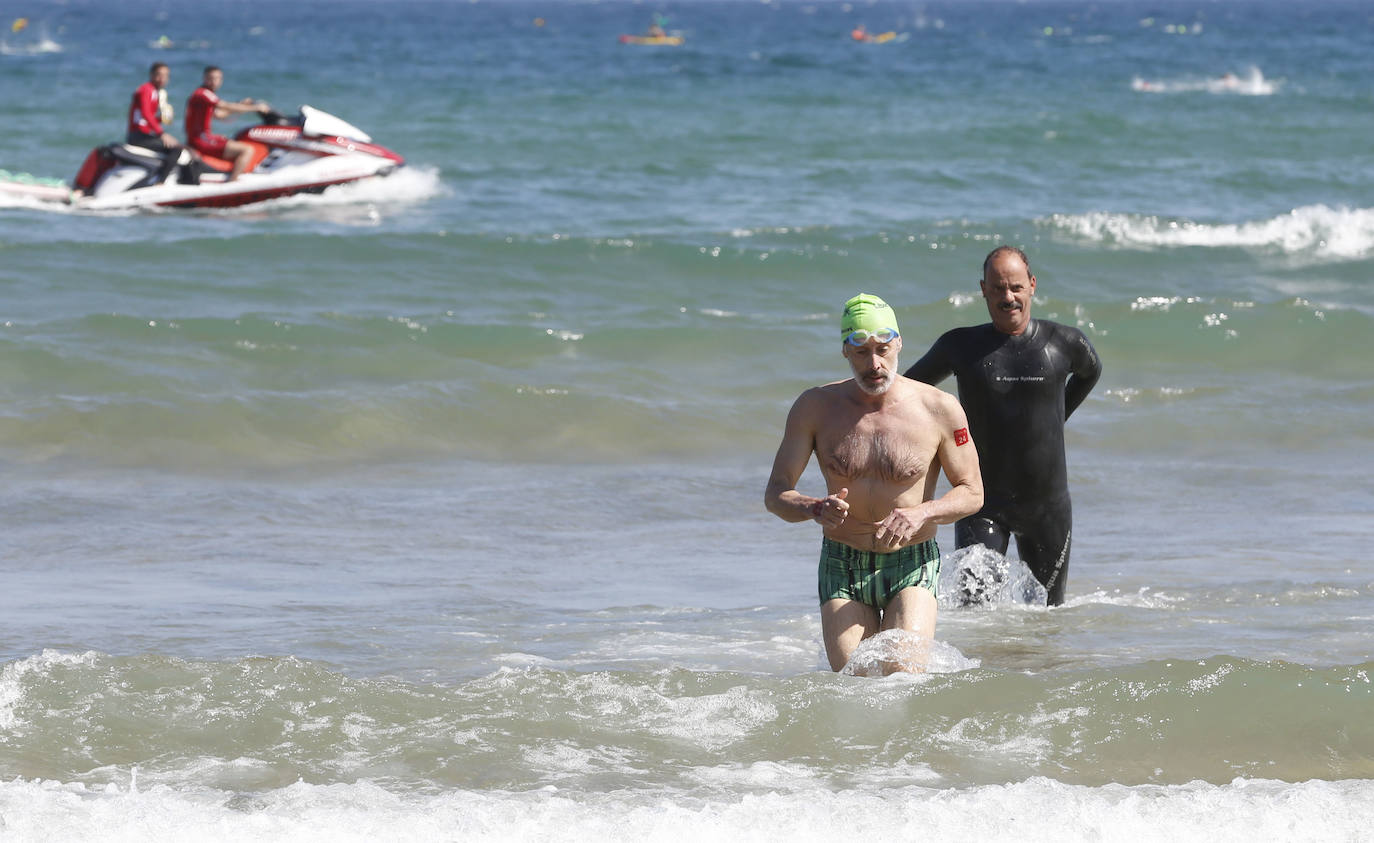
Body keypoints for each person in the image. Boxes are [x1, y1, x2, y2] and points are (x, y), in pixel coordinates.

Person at [765, 294, 984, 674]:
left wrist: (923, 512)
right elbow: (776, 494)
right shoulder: (814, 408)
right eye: (862, 352)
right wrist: (814, 508)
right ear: (845, 351)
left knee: (903, 677)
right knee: (855, 685)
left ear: (898, 343)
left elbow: (973, 492)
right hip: (842, 561)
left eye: (883, 349)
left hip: (911, 561)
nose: (874, 364)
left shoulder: (939, 408)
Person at [904, 246, 1102, 606]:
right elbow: (909, 391)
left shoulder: (1065, 343)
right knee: (975, 611)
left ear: (1032, 286)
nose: (1007, 297)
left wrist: (1061, 414)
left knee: (1045, 617)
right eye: (997, 289)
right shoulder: (961, 346)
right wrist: (940, 441)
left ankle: (1032, 666)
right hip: (981, 503)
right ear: (983, 289)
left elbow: (1092, 371)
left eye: (1015, 287)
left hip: (1048, 508)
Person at [185, 65, 271, 181]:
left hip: (202, 138)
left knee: (232, 141)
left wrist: (242, 104)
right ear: (204, 78)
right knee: (247, 150)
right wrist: (256, 108)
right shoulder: (203, 94)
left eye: (217, 79)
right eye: (211, 78)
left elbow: (220, 115)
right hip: (201, 140)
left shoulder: (204, 95)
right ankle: (233, 182)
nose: (214, 82)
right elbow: (224, 105)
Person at [127, 62, 183, 153]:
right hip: (138, 136)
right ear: (151, 75)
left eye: (165, 76)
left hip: (144, 134)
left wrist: (161, 119)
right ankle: (166, 168)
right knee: (176, 150)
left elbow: (144, 119)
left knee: (178, 145)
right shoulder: (146, 89)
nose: (162, 79)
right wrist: (162, 134)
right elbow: (146, 114)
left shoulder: (155, 92)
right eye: (159, 75)